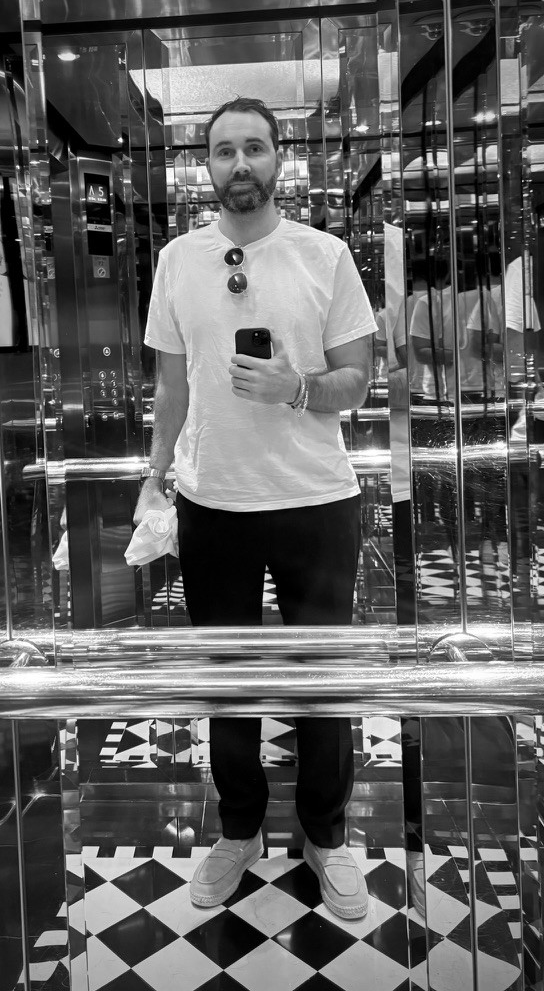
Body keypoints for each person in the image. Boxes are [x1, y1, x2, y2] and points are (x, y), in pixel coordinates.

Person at [133, 96, 377, 920]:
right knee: (228, 682)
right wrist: (154, 474)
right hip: (214, 503)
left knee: (321, 681)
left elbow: (359, 378)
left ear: (281, 158)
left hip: (316, 500)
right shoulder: (177, 260)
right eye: (225, 151)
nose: (241, 164)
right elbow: (170, 387)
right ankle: (237, 830)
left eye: (256, 149)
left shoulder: (325, 254)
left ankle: (326, 833)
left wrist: (296, 387)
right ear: (206, 165)